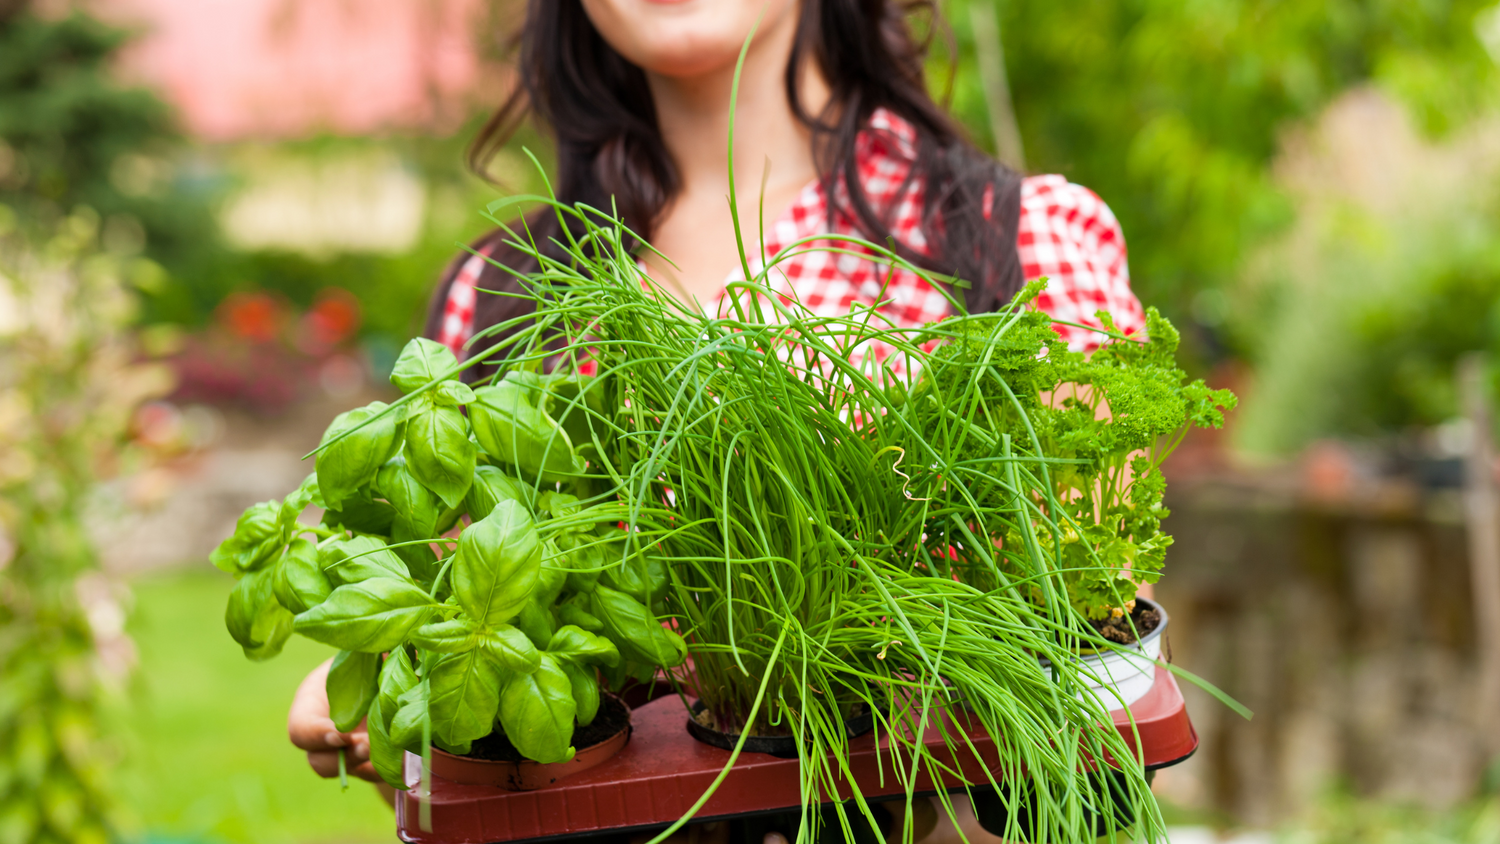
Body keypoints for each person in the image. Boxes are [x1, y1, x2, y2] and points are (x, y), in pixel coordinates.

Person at [288, 1, 1145, 840]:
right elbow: (496, 742)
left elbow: (1094, 671)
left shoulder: (1014, 241)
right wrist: (394, 704)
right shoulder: (505, 292)